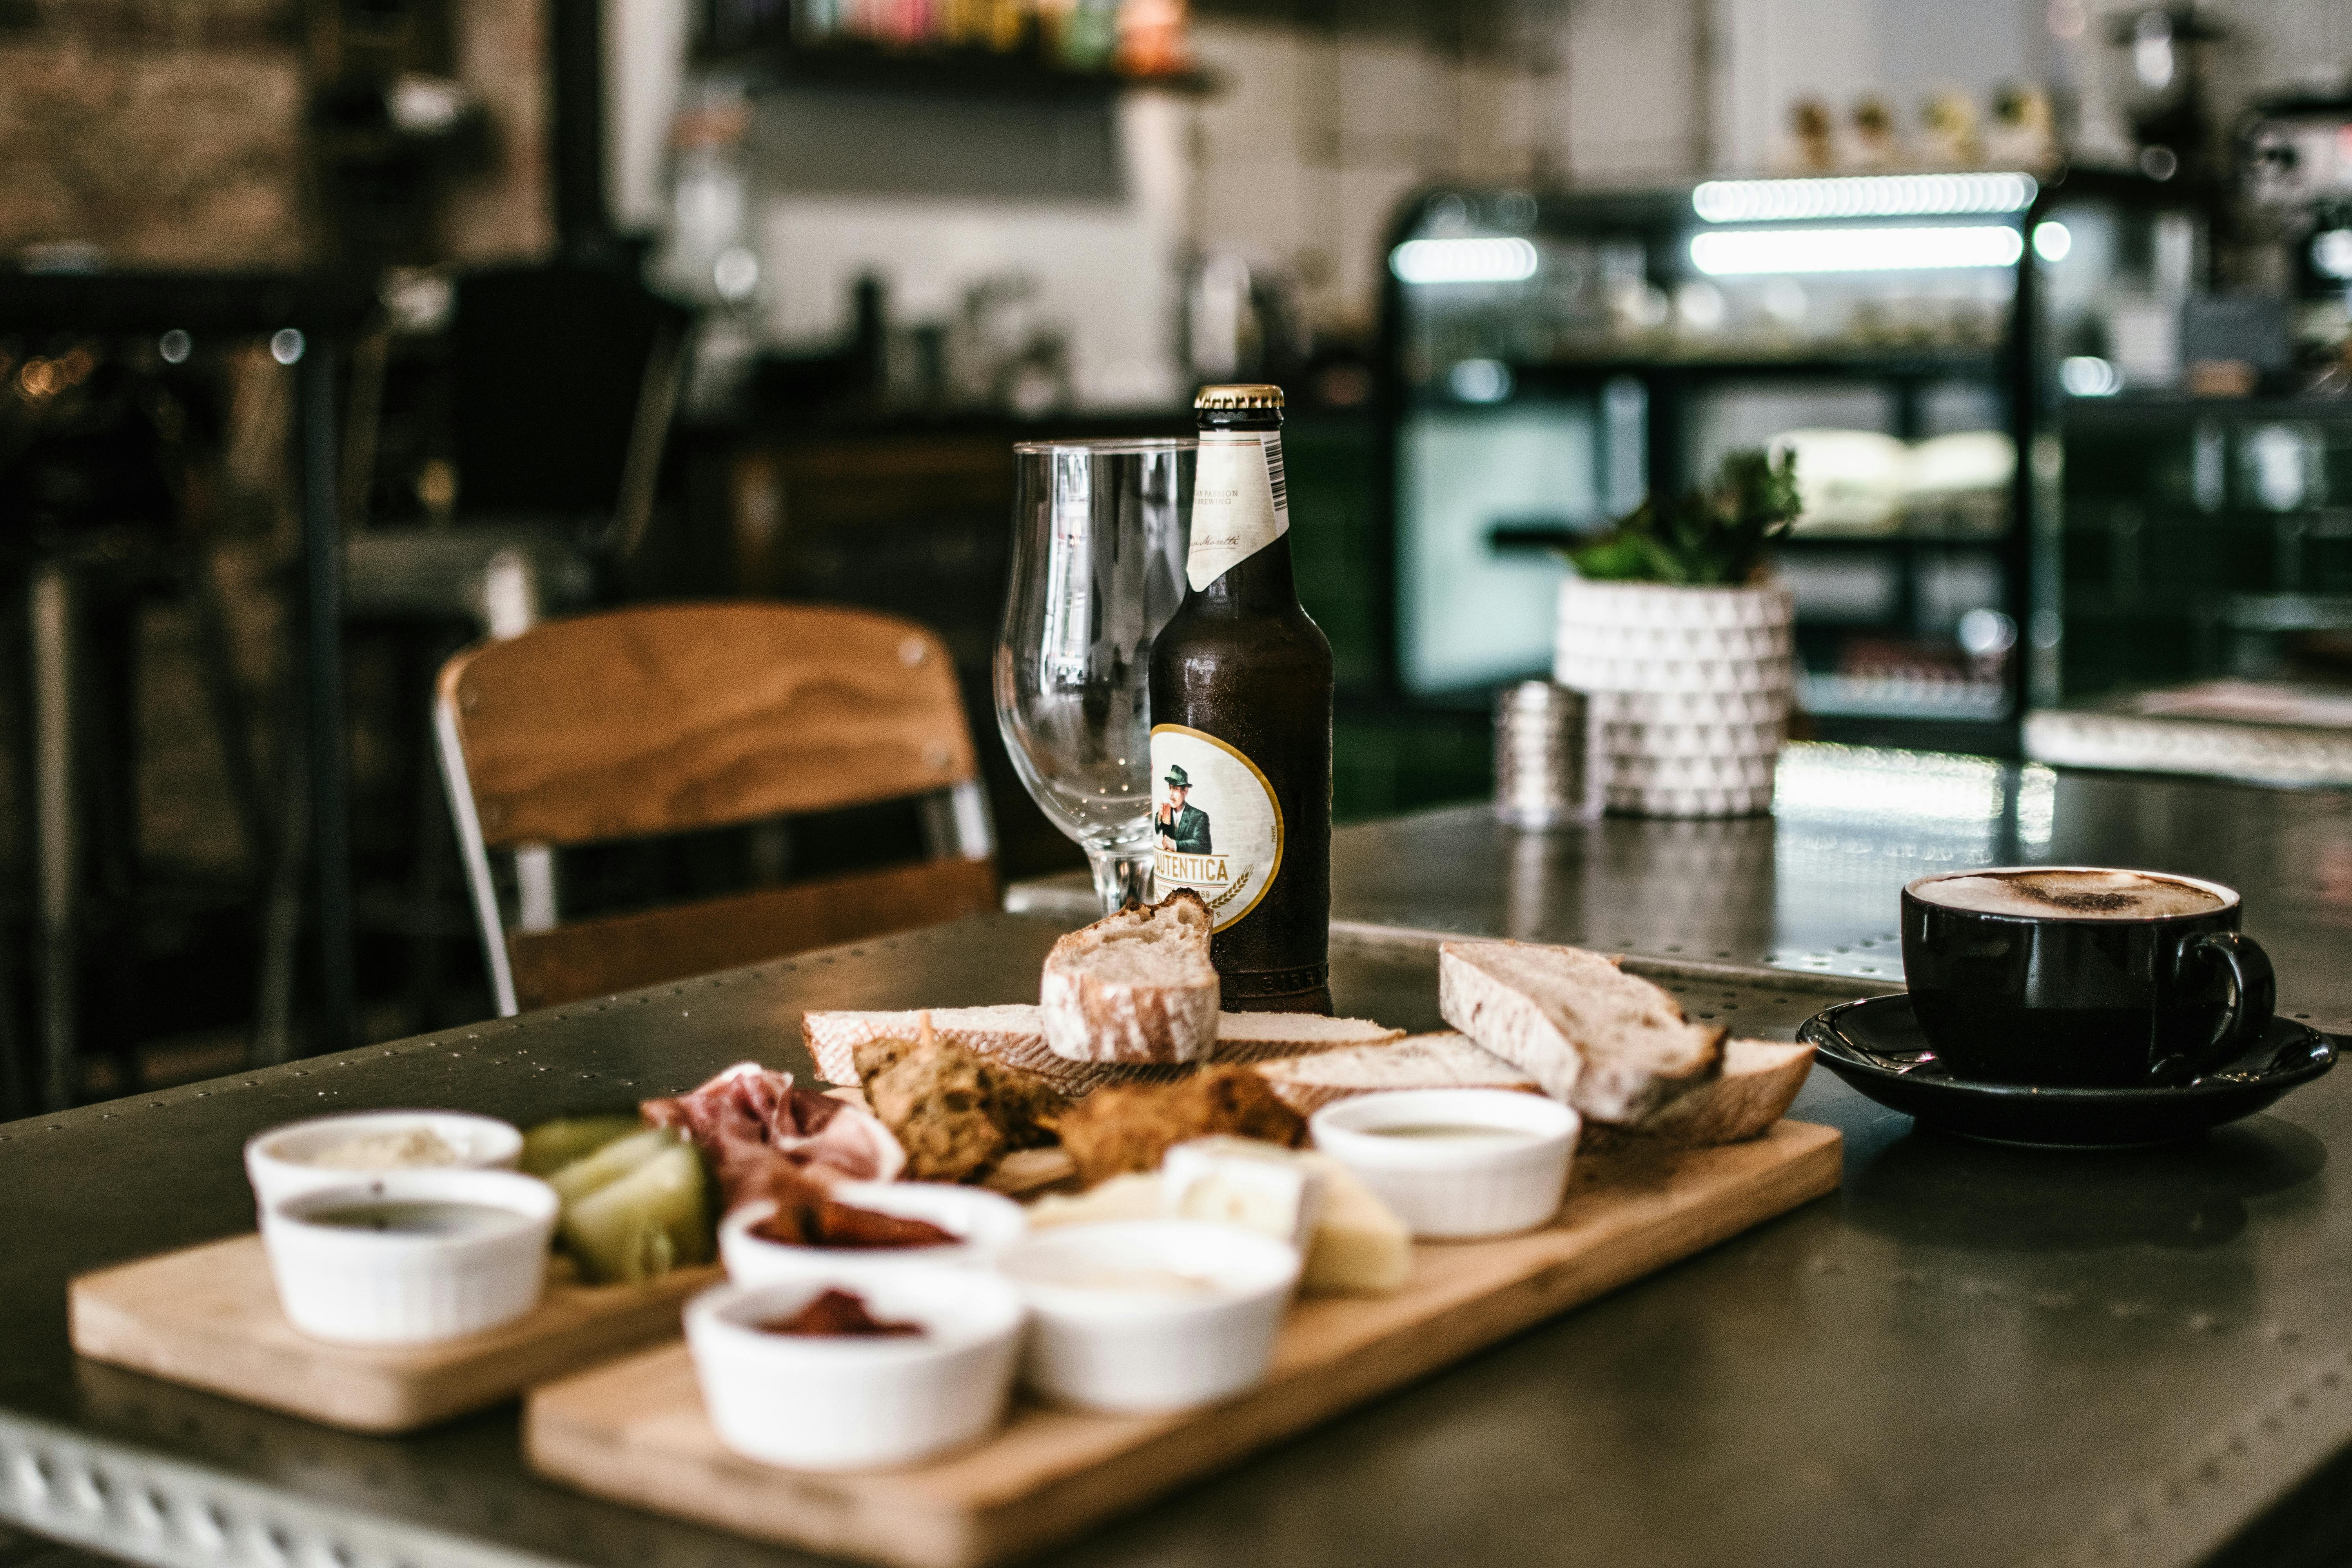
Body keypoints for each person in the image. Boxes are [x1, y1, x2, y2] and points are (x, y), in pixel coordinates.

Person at [1157, 764, 1212, 853]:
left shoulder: (1198, 817)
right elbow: (1157, 826)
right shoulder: (1167, 812)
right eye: (1170, 788)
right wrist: (1159, 819)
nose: (1171, 794)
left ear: (1185, 791)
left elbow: (1204, 845)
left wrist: (1175, 845)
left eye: (1175, 789)